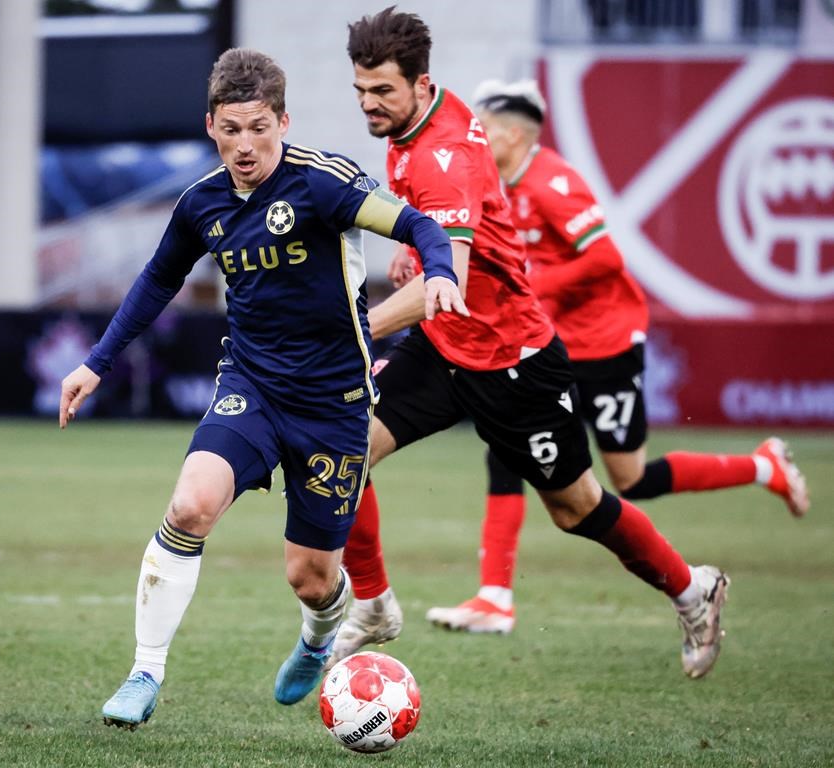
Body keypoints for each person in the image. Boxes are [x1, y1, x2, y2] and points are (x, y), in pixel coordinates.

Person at [58, 47, 467, 729]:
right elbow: (159, 279)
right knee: (190, 505)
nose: (244, 146)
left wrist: (443, 270)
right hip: (251, 384)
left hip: (335, 405)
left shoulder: (325, 183)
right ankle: (144, 670)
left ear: (284, 121)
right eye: (230, 129)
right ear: (210, 126)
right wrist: (97, 361)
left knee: (310, 576)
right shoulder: (202, 203)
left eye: (259, 128)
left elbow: (418, 224)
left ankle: (317, 636)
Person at [330, 6, 730, 681]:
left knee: (578, 509)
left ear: (420, 85)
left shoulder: (443, 155)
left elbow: (445, 280)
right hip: (444, 345)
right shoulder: (418, 121)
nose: (369, 105)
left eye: (382, 92)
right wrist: (413, 249)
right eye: (361, 91)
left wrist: (354, 326)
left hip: (512, 361)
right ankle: (372, 604)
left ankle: (693, 589)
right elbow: (448, 241)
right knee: (339, 448)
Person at [420, 78, 810, 634]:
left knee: (630, 478)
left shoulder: (552, 180)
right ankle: (495, 597)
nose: (474, 135)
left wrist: (539, 282)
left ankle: (763, 466)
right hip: (540, 343)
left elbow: (605, 257)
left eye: (483, 126)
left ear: (510, 133)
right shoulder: (494, 181)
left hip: (602, 341)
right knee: (503, 451)